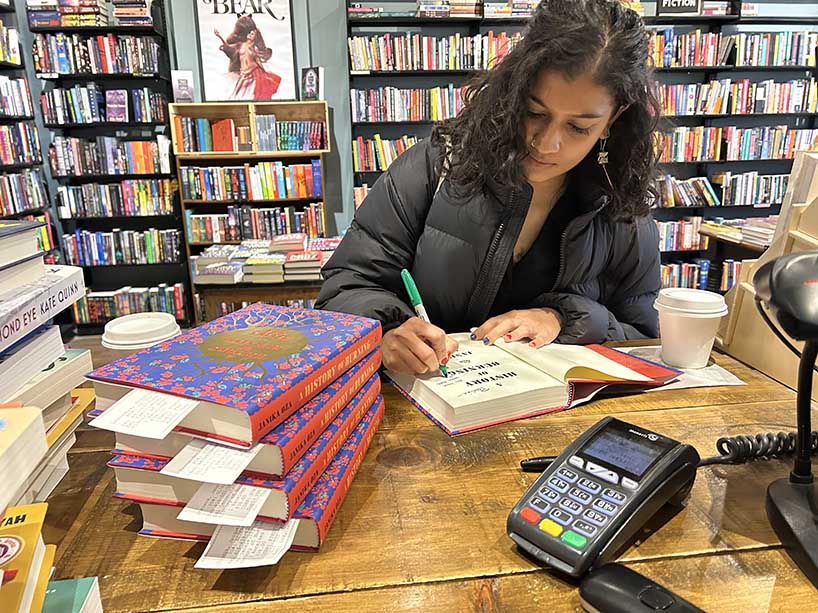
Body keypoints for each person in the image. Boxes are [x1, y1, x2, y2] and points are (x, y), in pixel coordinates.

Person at [317, 0, 662, 375]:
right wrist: (387, 332)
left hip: (563, 420)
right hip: (428, 404)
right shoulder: (436, 166)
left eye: (579, 127)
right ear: (514, 88)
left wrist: (563, 318)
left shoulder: (622, 207)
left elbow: (644, 337)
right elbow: (345, 287)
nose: (547, 144)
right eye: (535, 112)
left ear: (614, 119)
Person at [215, 15, 281, 100]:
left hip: (252, 73)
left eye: (252, 34)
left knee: (253, 93)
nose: (250, 35)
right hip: (243, 72)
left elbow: (258, 59)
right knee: (238, 93)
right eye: (249, 33)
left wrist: (265, 72)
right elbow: (230, 48)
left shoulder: (254, 48)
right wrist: (220, 38)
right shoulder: (240, 44)